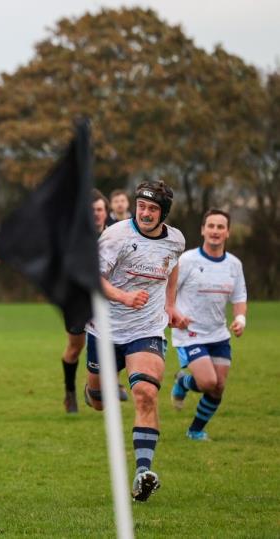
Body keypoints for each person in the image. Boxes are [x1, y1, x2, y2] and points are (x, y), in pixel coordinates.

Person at [84, 180, 189, 502]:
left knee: (144, 393)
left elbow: (172, 266)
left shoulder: (175, 240)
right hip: (104, 330)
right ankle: (93, 391)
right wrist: (123, 296)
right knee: (99, 400)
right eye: (141, 206)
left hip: (147, 329)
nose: (145, 213)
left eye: (153, 209)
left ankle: (143, 472)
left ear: (163, 213)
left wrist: (170, 305)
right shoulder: (116, 236)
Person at [170, 209, 247, 441]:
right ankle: (182, 381)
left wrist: (240, 319)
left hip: (219, 334)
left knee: (218, 387)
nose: (215, 231)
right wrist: (174, 313)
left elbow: (240, 297)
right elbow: (169, 291)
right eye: (211, 226)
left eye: (220, 227)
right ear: (203, 230)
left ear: (228, 233)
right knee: (207, 382)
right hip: (190, 332)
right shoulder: (188, 260)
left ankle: (195, 431)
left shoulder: (234, 264)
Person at [61, 190, 127, 413]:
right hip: (78, 302)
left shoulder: (115, 238)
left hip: (107, 303)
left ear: (106, 212)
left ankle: (104, 386)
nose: (96, 214)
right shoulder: (75, 238)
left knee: (113, 343)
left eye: (99, 210)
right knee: (74, 348)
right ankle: (69, 392)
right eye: (91, 211)